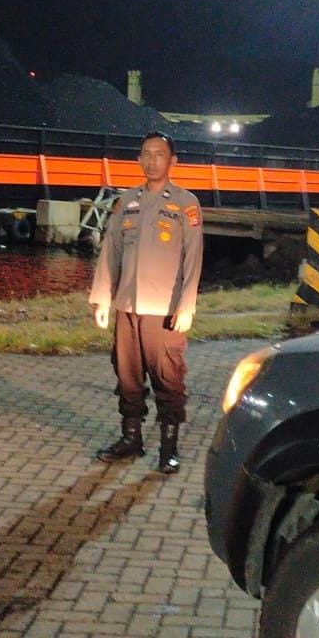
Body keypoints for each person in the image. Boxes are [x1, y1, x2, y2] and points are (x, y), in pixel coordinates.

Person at [88, 131, 203, 474]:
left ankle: (168, 448)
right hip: (127, 306)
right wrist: (102, 299)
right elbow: (111, 251)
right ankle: (131, 439)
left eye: (159, 154)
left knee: (169, 379)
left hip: (164, 310)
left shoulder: (185, 203)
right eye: (146, 154)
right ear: (139, 159)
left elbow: (193, 259)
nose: (152, 161)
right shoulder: (127, 201)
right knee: (127, 376)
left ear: (172, 161)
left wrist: (187, 306)